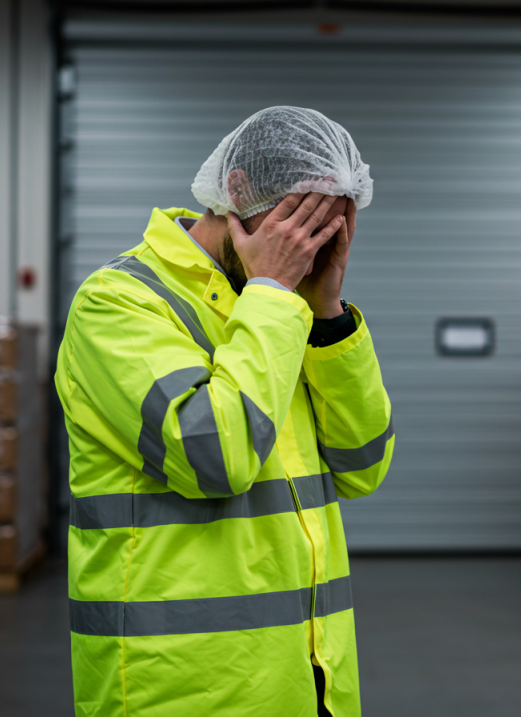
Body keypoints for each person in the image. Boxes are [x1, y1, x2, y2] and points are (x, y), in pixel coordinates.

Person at [56, 106, 394, 717]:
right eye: (297, 219)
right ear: (236, 191)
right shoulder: (119, 303)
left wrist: (326, 315)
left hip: (309, 680)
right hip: (180, 687)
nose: (308, 245)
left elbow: (362, 467)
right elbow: (214, 457)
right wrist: (273, 294)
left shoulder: (285, 310)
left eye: (329, 227)